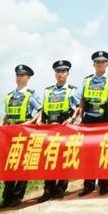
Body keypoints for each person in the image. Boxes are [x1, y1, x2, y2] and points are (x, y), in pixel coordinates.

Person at [75, 50, 108, 196]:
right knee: (88, 153)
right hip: (89, 119)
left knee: (104, 152)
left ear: (107, 64)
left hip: (104, 119)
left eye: (103, 61)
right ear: (93, 64)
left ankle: (103, 185)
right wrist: (79, 116)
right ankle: (88, 185)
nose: (100, 64)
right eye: (97, 62)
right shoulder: (87, 80)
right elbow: (82, 100)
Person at [0, 64, 43, 208]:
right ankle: (7, 197)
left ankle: (17, 196)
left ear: (28, 78)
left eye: (22, 75)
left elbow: (40, 110)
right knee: (10, 165)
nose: (19, 77)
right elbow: (7, 113)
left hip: (24, 131)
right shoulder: (10, 95)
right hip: (10, 131)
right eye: (18, 75)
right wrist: (2, 122)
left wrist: (31, 121)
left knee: (22, 165)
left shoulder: (30, 94)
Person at [37, 60, 80, 203]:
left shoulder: (72, 90)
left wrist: (72, 119)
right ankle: (48, 190)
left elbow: (79, 107)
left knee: (63, 159)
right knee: (49, 159)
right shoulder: (48, 91)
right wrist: (40, 120)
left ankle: (60, 189)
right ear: (55, 73)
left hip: (65, 129)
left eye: (63, 71)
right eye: (58, 71)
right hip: (49, 130)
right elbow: (44, 108)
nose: (60, 74)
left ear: (67, 73)